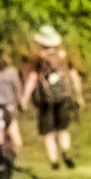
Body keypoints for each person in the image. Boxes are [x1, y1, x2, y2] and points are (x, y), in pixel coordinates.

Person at [21, 25, 85, 170]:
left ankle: (54, 161)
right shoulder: (64, 56)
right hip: (63, 97)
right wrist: (79, 96)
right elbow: (74, 77)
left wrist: (24, 99)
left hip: (45, 101)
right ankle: (66, 153)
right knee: (63, 129)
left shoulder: (38, 59)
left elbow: (32, 79)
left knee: (48, 132)